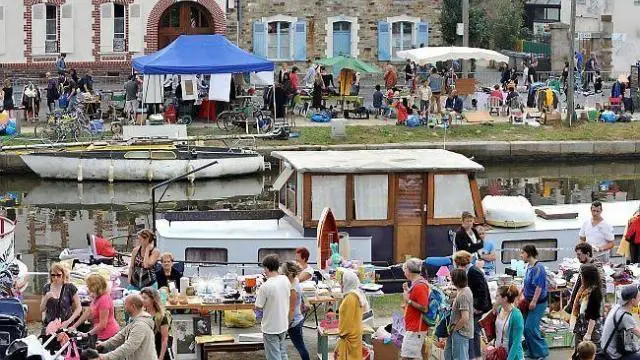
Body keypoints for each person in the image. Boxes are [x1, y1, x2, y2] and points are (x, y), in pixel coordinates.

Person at [453, 251, 491, 360]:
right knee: (472, 332)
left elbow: (482, 290)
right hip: (474, 305)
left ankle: (475, 356)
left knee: (473, 332)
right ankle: (474, 356)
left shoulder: (473, 272)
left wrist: (478, 308)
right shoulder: (469, 271)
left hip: (479, 307)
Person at [97, 294, 158, 360]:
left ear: (133, 306)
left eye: (125, 304)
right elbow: (120, 336)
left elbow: (129, 347)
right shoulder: (134, 321)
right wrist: (103, 344)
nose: (124, 307)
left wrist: (106, 357)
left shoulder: (140, 325)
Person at [255, 254, 291, 360]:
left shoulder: (265, 286)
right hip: (283, 324)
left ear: (266, 268)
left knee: (274, 356)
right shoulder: (285, 279)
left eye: (264, 268)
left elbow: (258, 306)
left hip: (270, 327)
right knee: (282, 352)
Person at [520, 244, 549, 360]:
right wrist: (520, 293)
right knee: (525, 328)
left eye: (522, 253)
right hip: (527, 300)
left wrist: (534, 301)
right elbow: (526, 283)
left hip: (538, 303)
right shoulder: (528, 266)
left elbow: (539, 286)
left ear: (528, 253)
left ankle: (542, 352)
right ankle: (532, 352)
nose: (521, 255)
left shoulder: (538, 268)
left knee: (530, 328)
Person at [70, 274, 119, 341]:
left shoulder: (104, 300)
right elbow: (88, 312)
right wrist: (74, 326)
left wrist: (87, 334)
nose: (87, 287)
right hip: (98, 333)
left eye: (88, 286)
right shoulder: (96, 297)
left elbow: (102, 324)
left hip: (108, 335)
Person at [335, 269, 369, 360]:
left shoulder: (350, 298)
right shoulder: (356, 294)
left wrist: (342, 335)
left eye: (342, 282)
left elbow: (347, 320)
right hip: (355, 333)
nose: (340, 284)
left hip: (349, 336)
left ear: (347, 282)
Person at [40, 263, 82, 334]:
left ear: (63, 275)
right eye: (53, 275)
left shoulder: (70, 287)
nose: (55, 278)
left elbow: (79, 308)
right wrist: (46, 298)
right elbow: (42, 309)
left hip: (66, 325)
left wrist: (69, 321)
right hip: (50, 326)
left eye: (58, 275)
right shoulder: (46, 287)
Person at [600, 284, 640, 360]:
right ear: (632, 300)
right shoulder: (625, 316)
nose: (639, 299)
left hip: (605, 348)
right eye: (638, 297)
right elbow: (638, 333)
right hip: (612, 355)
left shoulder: (617, 307)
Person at [570, 264, 603, 353]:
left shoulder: (594, 292)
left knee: (591, 354)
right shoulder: (583, 288)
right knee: (578, 353)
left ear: (587, 277)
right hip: (580, 326)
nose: (580, 278)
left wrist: (588, 334)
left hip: (591, 330)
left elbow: (593, 315)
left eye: (582, 276)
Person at [401, 258, 430, 360]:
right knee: (414, 356)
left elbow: (424, 308)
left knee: (407, 357)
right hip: (414, 326)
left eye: (404, 270)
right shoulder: (416, 284)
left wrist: (408, 301)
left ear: (408, 271)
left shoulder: (420, 286)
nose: (404, 272)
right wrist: (407, 290)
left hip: (416, 328)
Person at [566, 243, 606, 313]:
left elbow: (602, 285)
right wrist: (571, 304)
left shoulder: (596, 267)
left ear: (587, 254)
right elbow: (577, 286)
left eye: (579, 254)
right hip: (583, 302)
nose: (577, 257)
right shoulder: (583, 266)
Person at [281, 261, 309, 360]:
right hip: (297, 318)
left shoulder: (293, 289)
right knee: (300, 345)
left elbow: (291, 309)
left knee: (300, 346)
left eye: (283, 273)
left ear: (287, 274)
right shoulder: (296, 281)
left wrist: (288, 323)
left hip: (294, 322)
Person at [487, 285, 524, 360]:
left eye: (497, 296)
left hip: (512, 355)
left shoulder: (516, 315)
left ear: (505, 298)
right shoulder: (500, 309)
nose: (495, 298)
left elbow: (516, 342)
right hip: (499, 352)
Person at [445, 268, 473, 360]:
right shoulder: (464, 291)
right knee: (448, 354)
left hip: (461, 331)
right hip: (456, 330)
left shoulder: (463, 295)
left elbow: (465, 317)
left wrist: (455, 329)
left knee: (460, 356)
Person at [140, 287, 173, 360]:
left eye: (145, 298)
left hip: (159, 351)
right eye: (141, 298)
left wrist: (161, 357)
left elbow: (165, 339)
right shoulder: (142, 314)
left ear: (152, 299)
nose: (142, 300)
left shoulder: (161, 317)